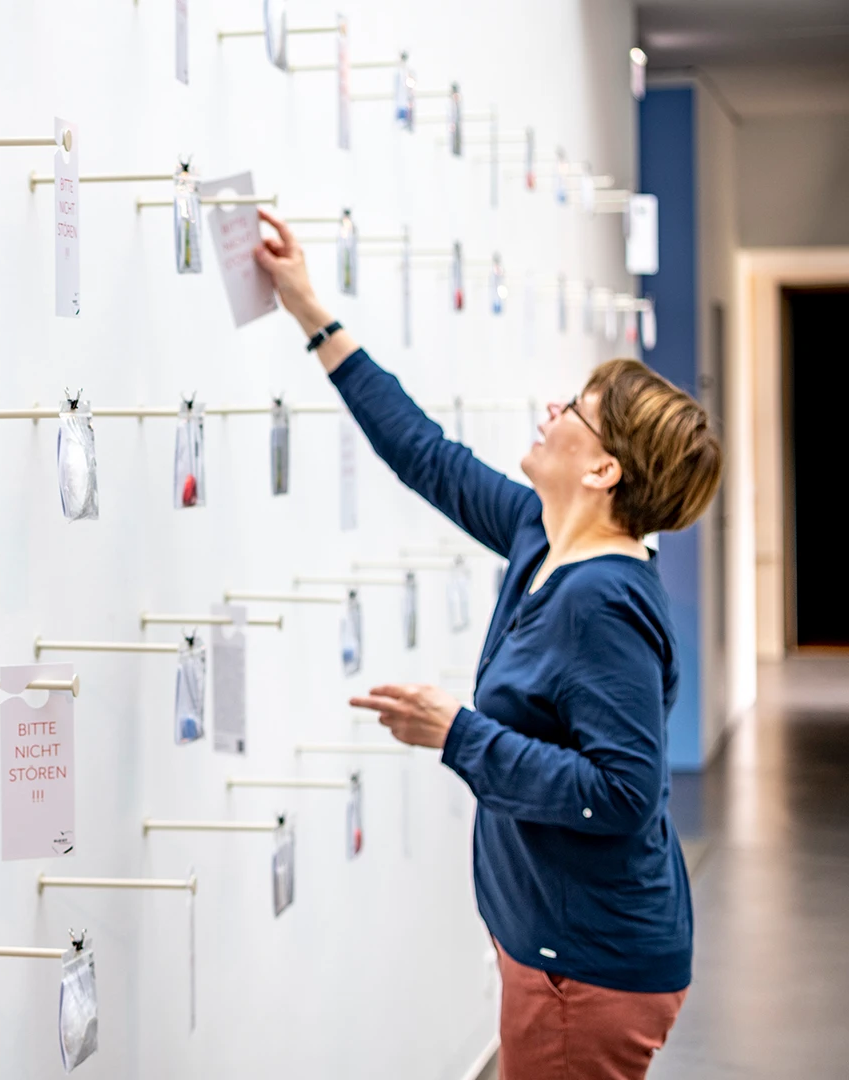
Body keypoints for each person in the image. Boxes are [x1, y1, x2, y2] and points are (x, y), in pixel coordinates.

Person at [252, 210, 721, 1079]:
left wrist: (458, 733)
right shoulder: (540, 537)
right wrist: (311, 311)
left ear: (603, 470)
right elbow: (424, 454)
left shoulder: (603, 603)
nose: (552, 409)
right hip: (561, 947)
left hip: (588, 965)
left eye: (574, 409)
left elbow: (622, 793)